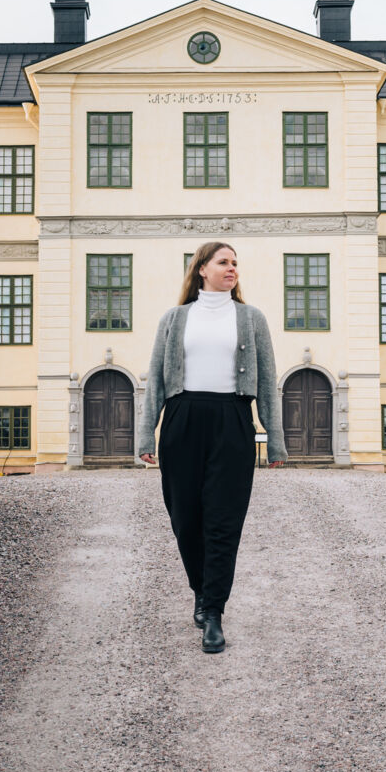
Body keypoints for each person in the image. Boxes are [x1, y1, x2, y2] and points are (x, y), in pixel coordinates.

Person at [137, 241, 285, 654]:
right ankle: (201, 591)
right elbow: (155, 380)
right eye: (223, 262)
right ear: (201, 268)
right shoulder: (175, 318)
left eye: (235, 262)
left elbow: (268, 381)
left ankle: (213, 611)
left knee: (224, 520)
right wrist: (145, 434)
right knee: (185, 518)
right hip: (182, 420)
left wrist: (275, 439)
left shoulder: (251, 318)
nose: (232, 268)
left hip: (233, 421)